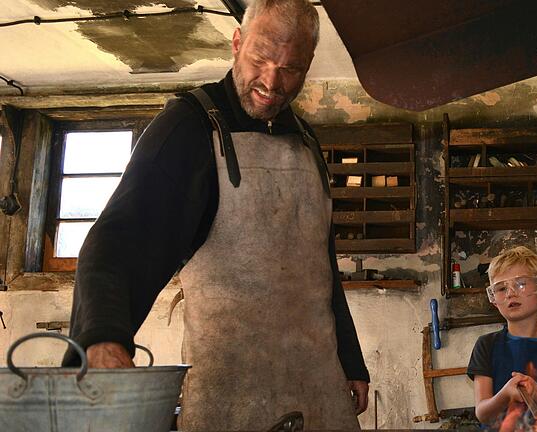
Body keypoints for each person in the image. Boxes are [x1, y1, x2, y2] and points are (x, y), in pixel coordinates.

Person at [62, 0, 369, 430]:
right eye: (261, 59)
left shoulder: (306, 140)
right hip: (232, 388)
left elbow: (321, 265)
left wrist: (350, 360)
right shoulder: (188, 126)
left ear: (308, 64)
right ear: (237, 43)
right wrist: (102, 339)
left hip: (317, 378)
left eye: (291, 68)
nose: (271, 81)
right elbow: (119, 240)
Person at [467, 246, 537, 427]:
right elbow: (482, 414)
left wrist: (536, 393)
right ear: (495, 301)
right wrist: (505, 394)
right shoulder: (486, 345)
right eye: (502, 288)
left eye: (520, 283)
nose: (511, 292)